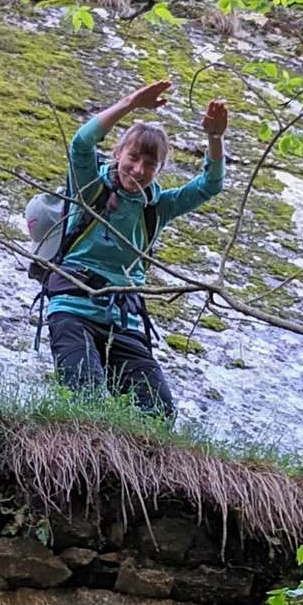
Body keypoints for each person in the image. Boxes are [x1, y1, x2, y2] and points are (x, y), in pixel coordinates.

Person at [42, 77, 229, 421]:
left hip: (124, 321)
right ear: (118, 154)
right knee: (84, 395)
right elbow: (81, 144)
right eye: (133, 157)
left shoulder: (158, 208)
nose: (139, 170)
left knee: (158, 413)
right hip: (72, 308)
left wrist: (214, 139)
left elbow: (210, 186)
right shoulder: (90, 186)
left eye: (150, 165)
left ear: (159, 170)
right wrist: (130, 103)